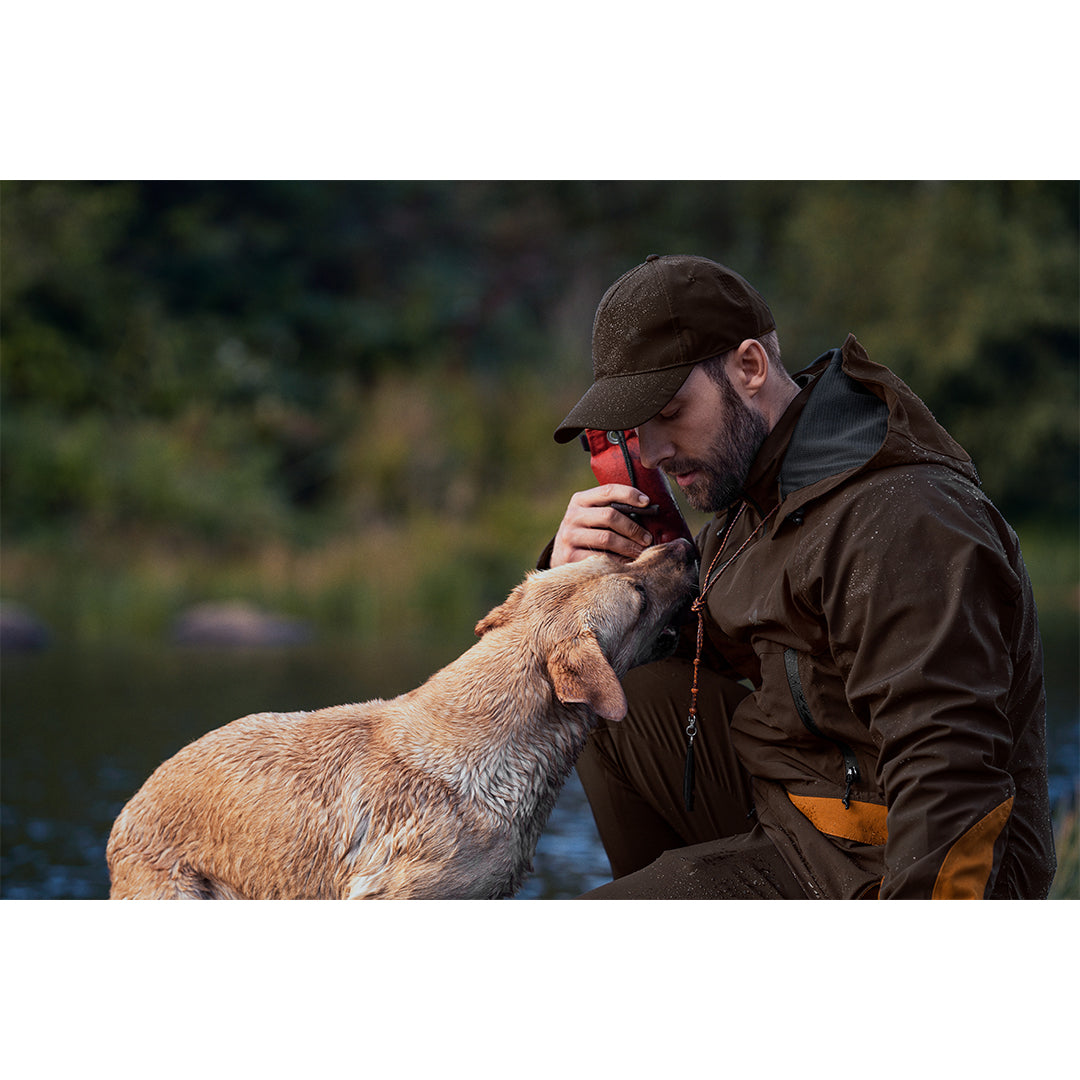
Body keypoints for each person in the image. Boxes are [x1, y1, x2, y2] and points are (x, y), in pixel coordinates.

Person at [543, 253, 1056, 899]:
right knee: (614, 691)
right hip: (797, 817)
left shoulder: (902, 521)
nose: (653, 451)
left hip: (882, 866)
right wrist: (575, 574)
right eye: (635, 429)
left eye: (670, 411)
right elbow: (690, 650)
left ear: (750, 367)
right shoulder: (756, 497)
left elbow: (951, 782)